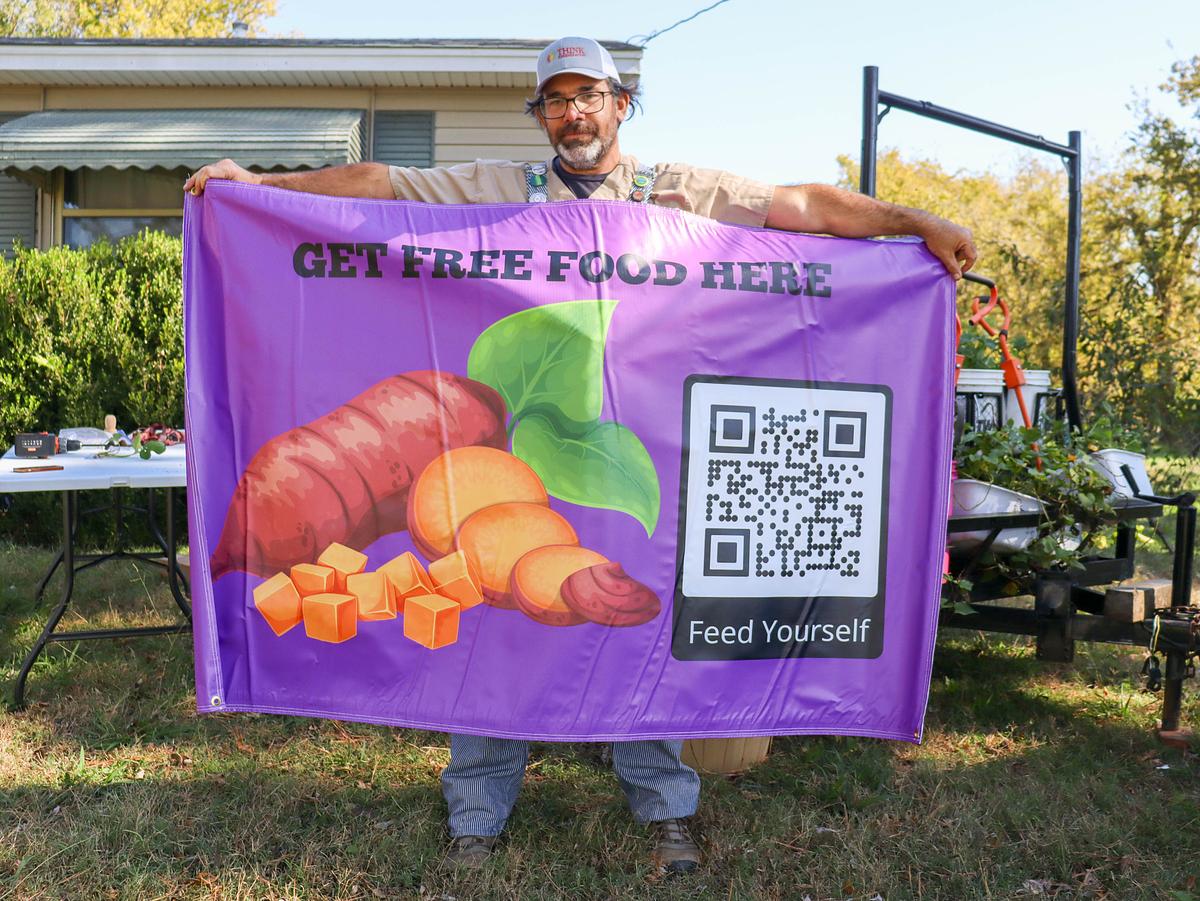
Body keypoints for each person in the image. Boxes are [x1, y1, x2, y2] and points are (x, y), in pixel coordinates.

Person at [186, 35, 977, 875]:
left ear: (619, 105)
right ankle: (476, 815)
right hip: (523, 466)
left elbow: (805, 208)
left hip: (647, 457)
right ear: (541, 117)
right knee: (490, 621)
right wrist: (264, 187)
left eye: (588, 96)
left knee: (645, 630)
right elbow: (382, 185)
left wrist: (915, 223)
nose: (574, 114)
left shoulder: (680, 191)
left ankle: (666, 808)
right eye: (556, 101)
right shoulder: (497, 190)